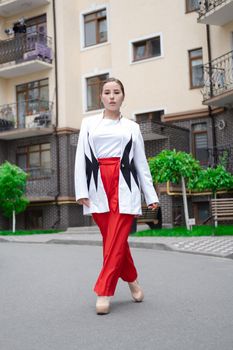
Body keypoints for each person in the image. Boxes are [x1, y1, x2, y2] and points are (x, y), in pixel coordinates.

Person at [74, 77, 159, 315]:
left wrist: (150, 194)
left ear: (123, 96)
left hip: (125, 186)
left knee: (114, 240)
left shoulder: (132, 127)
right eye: (107, 92)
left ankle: (104, 292)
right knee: (114, 240)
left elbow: (140, 163)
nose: (112, 96)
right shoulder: (89, 124)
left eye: (116, 92)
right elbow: (81, 157)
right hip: (97, 185)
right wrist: (81, 190)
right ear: (101, 97)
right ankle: (132, 280)